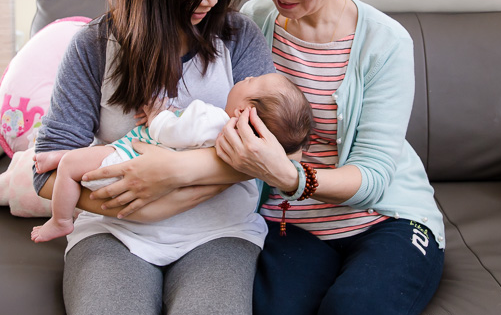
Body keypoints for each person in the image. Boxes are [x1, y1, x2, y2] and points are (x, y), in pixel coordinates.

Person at [32, 0, 278, 315]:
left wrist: (170, 180)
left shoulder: (239, 37)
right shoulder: (94, 46)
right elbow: (45, 171)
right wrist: (133, 204)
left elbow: (267, 153)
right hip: (113, 231)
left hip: (219, 230)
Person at [214, 0, 446, 315]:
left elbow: (374, 177)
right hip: (290, 225)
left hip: (386, 220)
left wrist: (291, 176)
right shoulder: (252, 25)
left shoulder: (385, 42)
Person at [31, 71, 312, 249]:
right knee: (89, 157)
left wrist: (157, 115)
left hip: (128, 163)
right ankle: (62, 157)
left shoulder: (214, 119)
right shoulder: (236, 145)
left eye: (252, 81)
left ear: (243, 110)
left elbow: (169, 131)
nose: (247, 76)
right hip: (145, 180)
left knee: (72, 166)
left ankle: (61, 219)